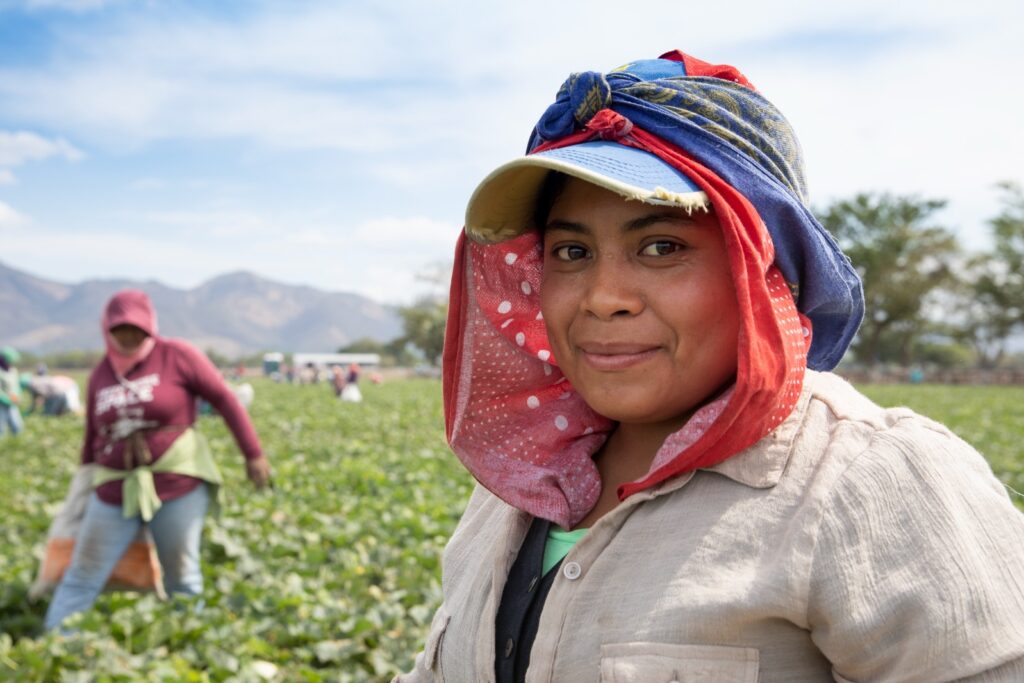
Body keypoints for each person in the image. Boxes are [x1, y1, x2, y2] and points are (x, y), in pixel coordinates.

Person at [397, 51, 1024, 681]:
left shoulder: (871, 482)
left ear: (762, 267)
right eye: (571, 250)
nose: (602, 296)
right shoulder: (517, 480)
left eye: (662, 246)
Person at [44, 289, 271, 631]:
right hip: (113, 488)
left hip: (176, 483)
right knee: (82, 573)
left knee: (182, 574)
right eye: (120, 329)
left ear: (150, 328)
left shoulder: (177, 355)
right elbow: (92, 436)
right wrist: (82, 484)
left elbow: (225, 400)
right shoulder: (102, 374)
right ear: (108, 330)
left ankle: (189, 649)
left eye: (136, 329)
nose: (129, 336)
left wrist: (253, 454)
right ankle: (55, 645)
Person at [0, 346, 25, 436]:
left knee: (17, 426)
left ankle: (16, 446)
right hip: (1, 404)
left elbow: (16, 386)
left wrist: (17, 396)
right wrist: (7, 400)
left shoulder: (13, 371)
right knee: (1, 428)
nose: (10, 364)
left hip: (12, 403)